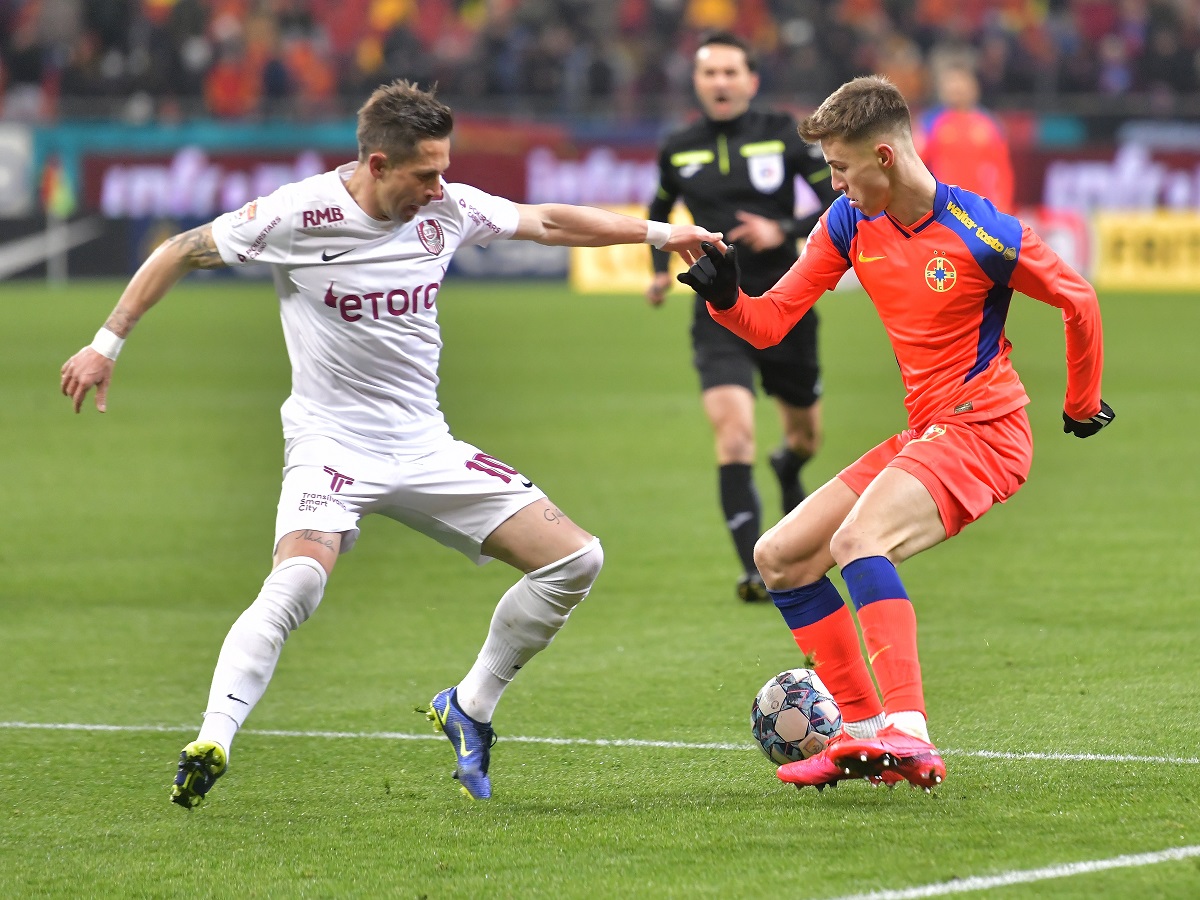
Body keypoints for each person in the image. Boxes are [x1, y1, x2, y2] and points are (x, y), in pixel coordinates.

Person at [60, 80, 722, 807]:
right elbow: (181, 251)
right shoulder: (297, 213)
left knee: (575, 560)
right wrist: (105, 345)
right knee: (299, 582)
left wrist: (660, 234)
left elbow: (548, 221)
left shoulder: (447, 209)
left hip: (424, 444)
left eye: (444, 169)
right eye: (425, 173)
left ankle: (468, 706)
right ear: (377, 165)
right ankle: (213, 736)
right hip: (331, 446)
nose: (441, 186)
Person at [678, 75, 1113, 791]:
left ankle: (906, 733)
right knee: (780, 557)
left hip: (986, 431)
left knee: (857, 541)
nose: (835, 183)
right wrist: (728, 298)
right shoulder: (849, 224)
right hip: (929, 432)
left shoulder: (984, 233)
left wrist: (1081, 403)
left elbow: (1078, 298)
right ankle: (859, 733)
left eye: (840, 168)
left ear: (884, 157)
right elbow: (771, 319)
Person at [645, 31, 840, 604]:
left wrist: (784, 229)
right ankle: (757, 567)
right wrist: (658, 274)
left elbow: (837, 200)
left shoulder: (783, 133)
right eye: (710, 73)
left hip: (786, 301)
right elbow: (659, 212)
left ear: (751, 81)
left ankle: (788, 468)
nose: (721, 82)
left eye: (732, 72)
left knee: (806, 436)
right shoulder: (678, 146)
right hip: (718, 307)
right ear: (698, 82)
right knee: (734, 435)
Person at [915, 57, 1015, 213]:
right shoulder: (929, 122)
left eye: (960, 82)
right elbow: (915, 165)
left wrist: (1003, 208)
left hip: (980, 210)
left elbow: (1003, 172)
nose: (955, 88)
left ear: (973, 86)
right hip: (943, 210)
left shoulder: (990, 124)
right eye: (950, 83)